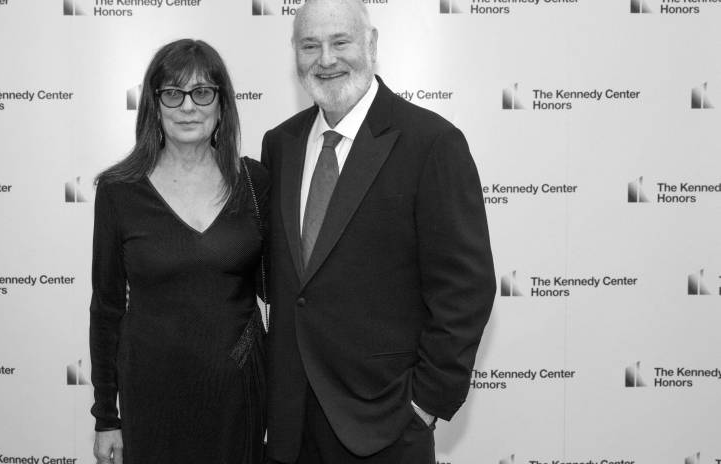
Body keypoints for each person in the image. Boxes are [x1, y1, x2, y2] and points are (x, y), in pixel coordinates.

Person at [261, 1, 496, 462]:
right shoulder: (280, 144)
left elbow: (466, 288)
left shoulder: (432, 143)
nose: (325, 59)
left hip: (385, 426)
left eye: (340, 41)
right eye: (310, 45)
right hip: (291, 426)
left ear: (371, 44)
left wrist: (425, 403)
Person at [89, 39, 268, 464]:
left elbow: (282, 288)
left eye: (202, 92)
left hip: (237, 392)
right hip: (152, 396)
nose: (188, 106)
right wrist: (106, 417)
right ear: (155, 105)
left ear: (222, 104)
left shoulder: (255, 181)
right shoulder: (119, 190)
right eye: (173, 93)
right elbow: (107, 309)